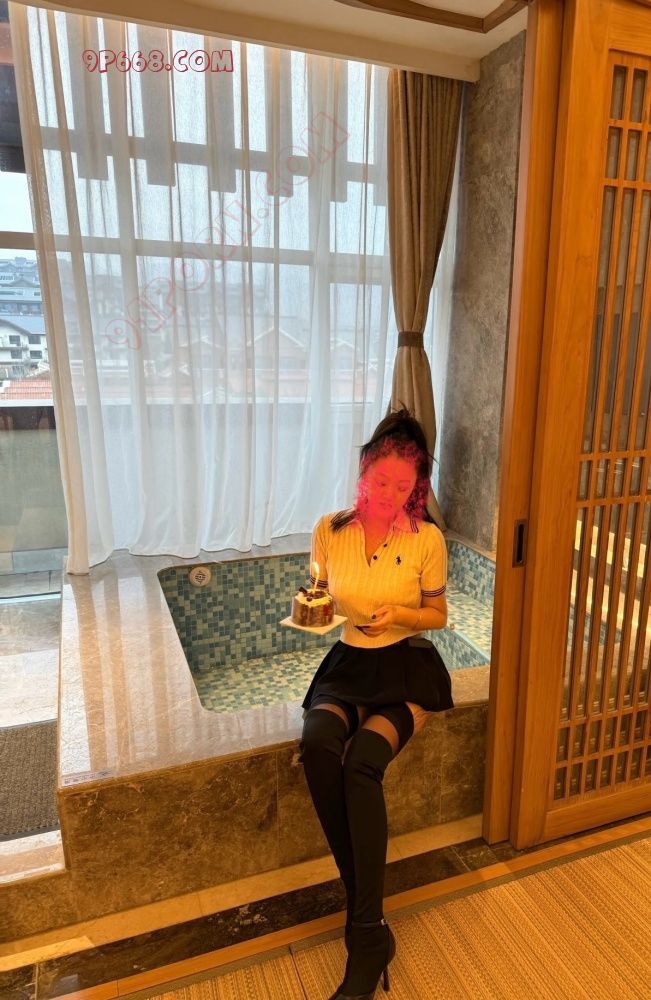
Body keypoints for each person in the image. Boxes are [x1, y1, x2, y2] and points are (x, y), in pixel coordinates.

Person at [299, 408, 454, 1000]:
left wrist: (402, 614)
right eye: (381, 480)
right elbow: (319, 591)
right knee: (319, 745)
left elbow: (438, 615)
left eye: (403, 486)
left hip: (403, 667)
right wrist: (316, 608)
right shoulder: (330, 529)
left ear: (416, 489)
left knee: (362, 762)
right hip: (348, 664)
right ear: (365, 470)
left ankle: (364, 936)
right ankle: (366, 909)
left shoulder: (426, 539)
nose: (389, 494)